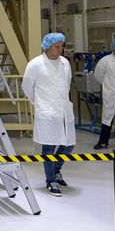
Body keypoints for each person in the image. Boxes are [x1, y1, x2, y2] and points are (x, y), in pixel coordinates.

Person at [22, 33, 76, 197]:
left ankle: (57, 170)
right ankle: (50, 180)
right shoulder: (35, 64)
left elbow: (67, 83)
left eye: (62, 46)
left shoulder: (65, 63)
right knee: (49, 147)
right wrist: (39, 103)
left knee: (68, 145)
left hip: (64, 110)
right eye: (57, 46)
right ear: (47, 46)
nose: (61, 49)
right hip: (47, 111)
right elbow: (27, 87)